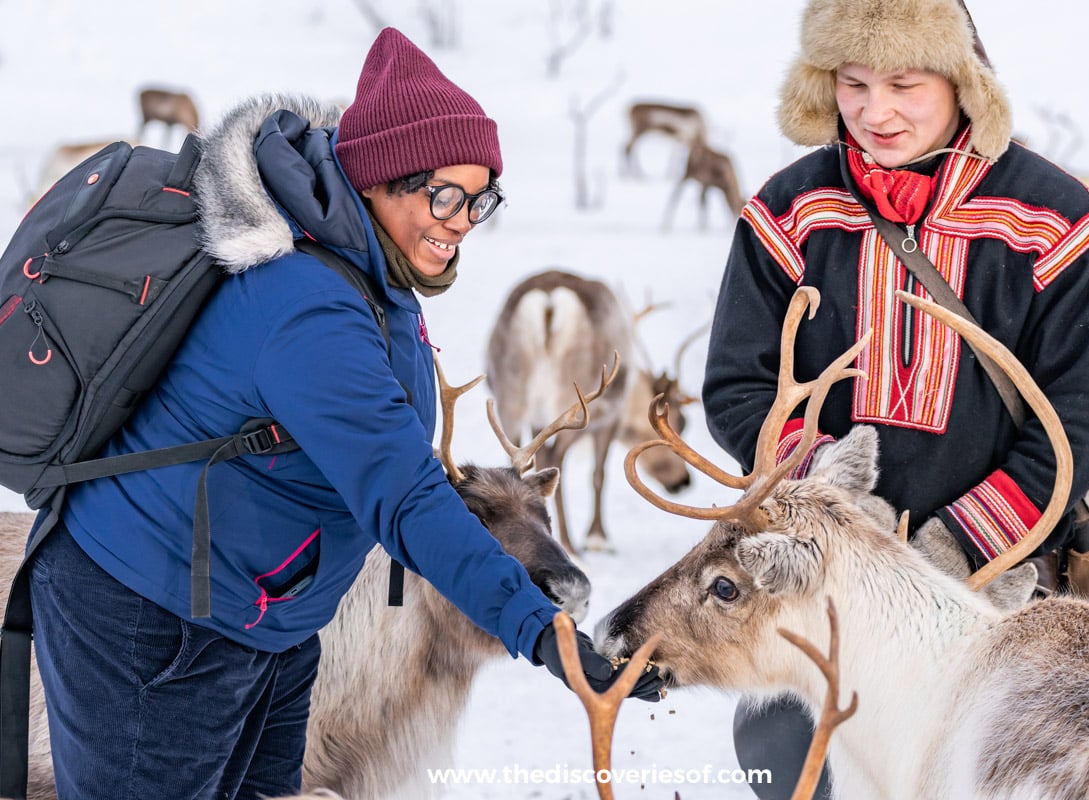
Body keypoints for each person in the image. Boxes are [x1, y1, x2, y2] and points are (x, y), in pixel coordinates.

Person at [27, 27, 661, 799]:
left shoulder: (377, 273)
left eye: (480, 197)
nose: (461, 219)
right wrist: (541, 630)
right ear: (377, 180)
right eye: (443, 194)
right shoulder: (307, 305)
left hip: (267, 625)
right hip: (153, 618)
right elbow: (403, 493)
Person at [700, 1, 1089, 797]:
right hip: (832, 579)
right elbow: (738, 385)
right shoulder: (788, 213)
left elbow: (1086, 418)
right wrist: (832, 504)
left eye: (904, 82)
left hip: (1006, 583)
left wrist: (959, 543)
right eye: (853, 83)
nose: (875, 112)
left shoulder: (1062, 223)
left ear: (962, 81)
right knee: (783, 747)